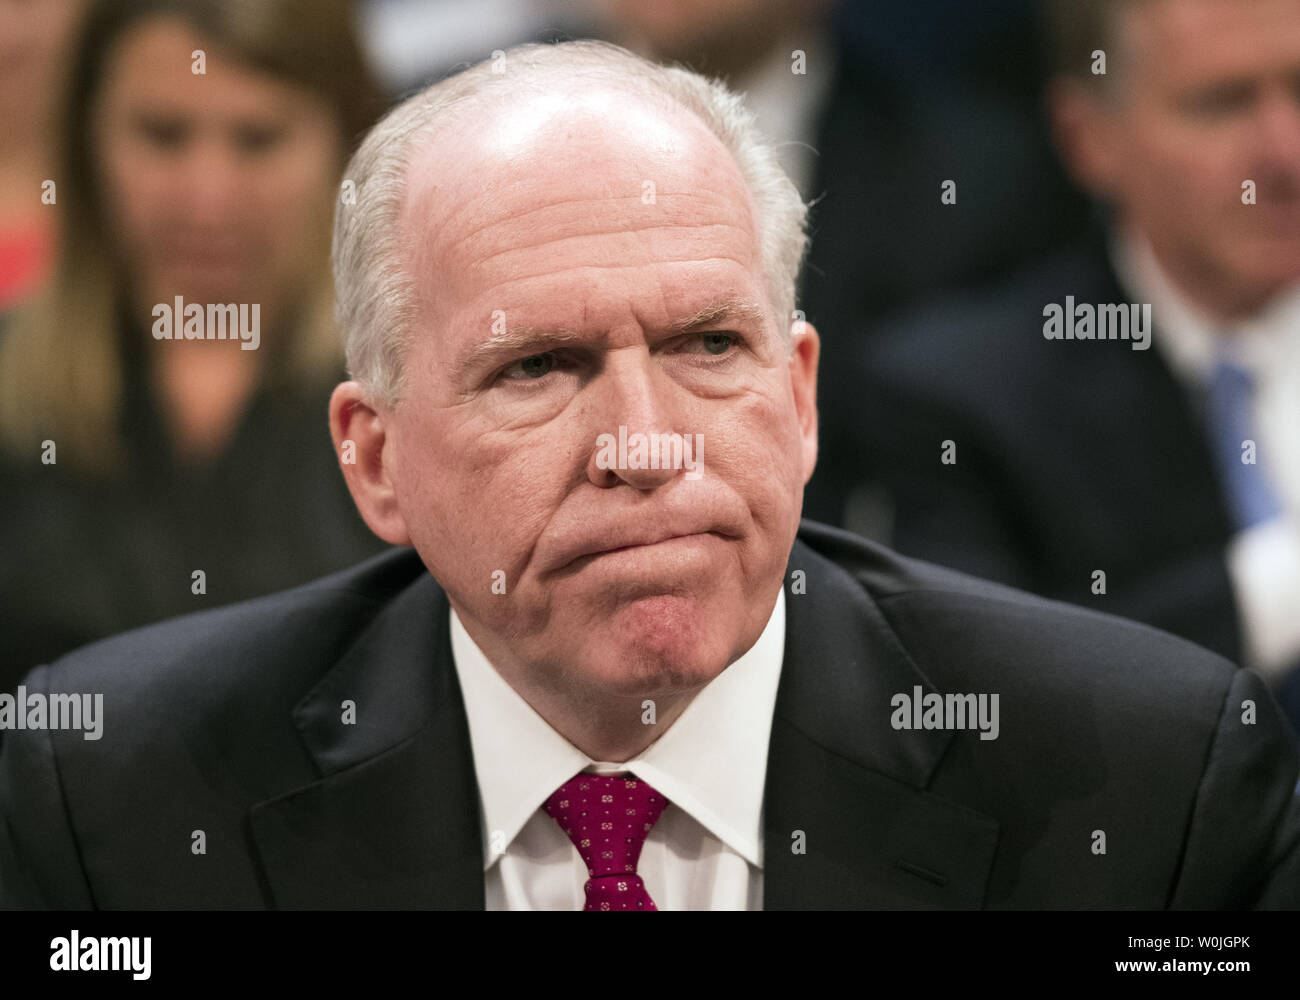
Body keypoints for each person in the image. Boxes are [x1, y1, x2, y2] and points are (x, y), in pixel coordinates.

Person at [1, 39, 1297, 910]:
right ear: (375, 457)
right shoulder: (115, 799)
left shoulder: (1148, 784)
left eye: (706, 345)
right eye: (540, 367)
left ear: (798, 398)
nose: (645, 443)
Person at [832, 0, 1300, 731]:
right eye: (1222, 104)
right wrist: (1278, 586)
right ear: (1089, 139)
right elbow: (992, 702)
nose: (1285, 154)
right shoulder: (960, 395)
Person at [0, 0, 390, 692]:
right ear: (85, 138)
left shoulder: (412, 392)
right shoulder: (13, 378)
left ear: (344, 144)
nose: (207, 199)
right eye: (163, 135)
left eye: (258, 139)